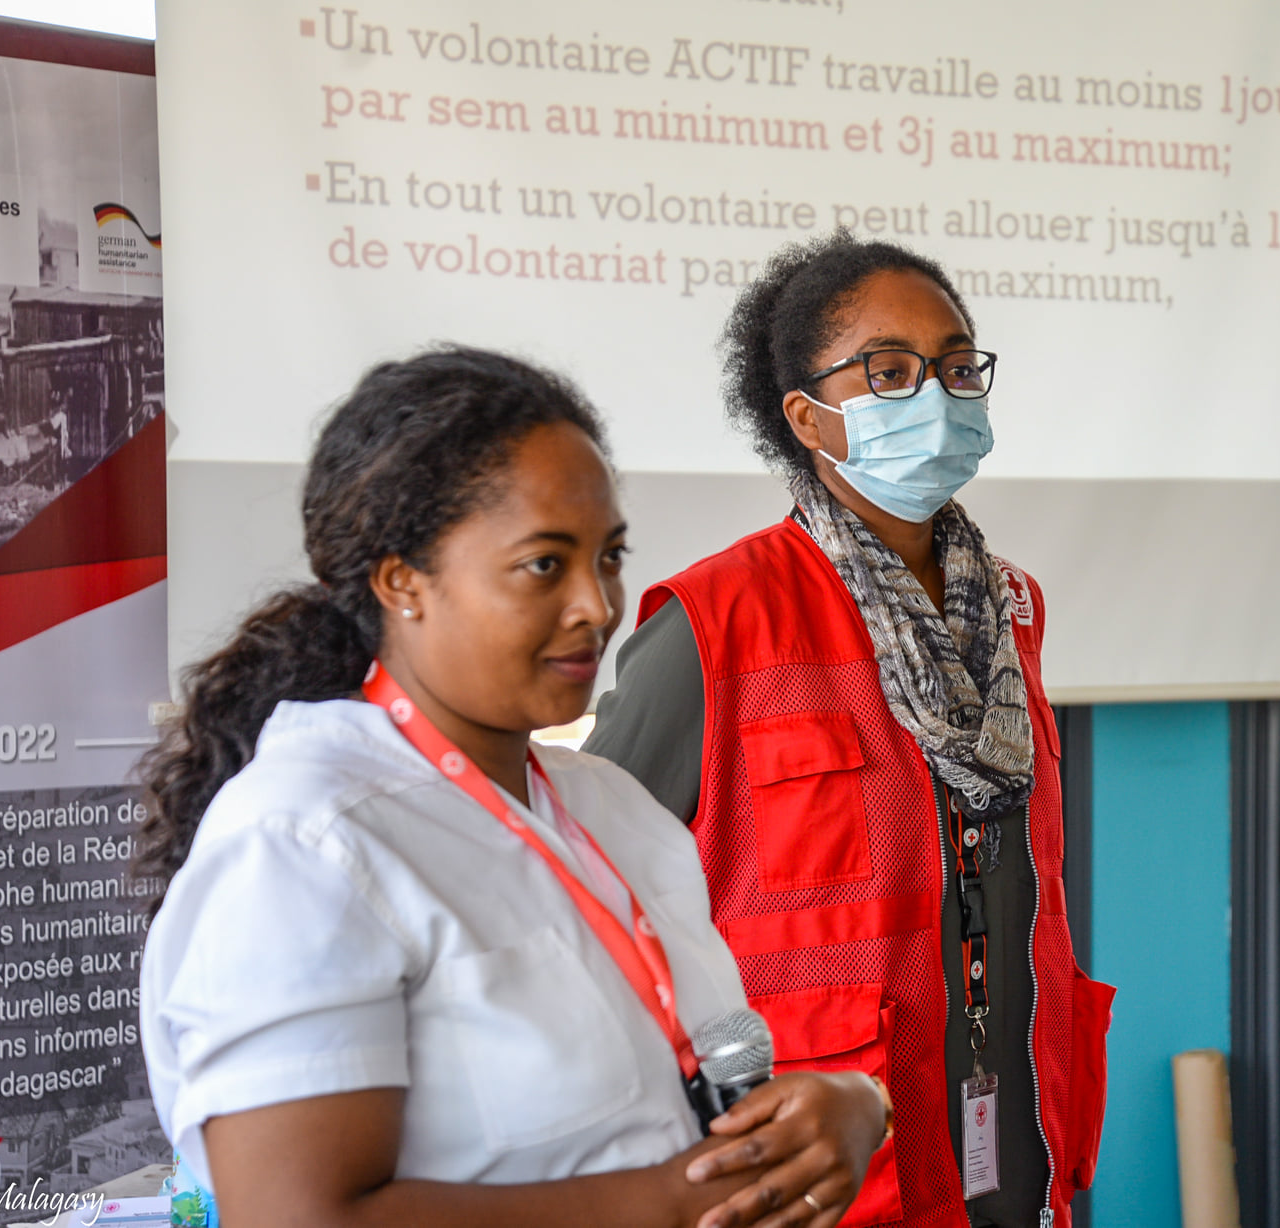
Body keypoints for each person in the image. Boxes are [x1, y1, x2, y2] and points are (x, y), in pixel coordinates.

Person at [134, 347, 890, 1228]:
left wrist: (842, 1105)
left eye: (608, 557)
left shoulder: (613, 808)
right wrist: (670, 1206)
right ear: (400, 580)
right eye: (544, 564)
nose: (598, 606)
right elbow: (299, 1215)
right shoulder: (305, 843)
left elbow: (713, 1057)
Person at [584, 234, 1115, 1228]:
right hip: (826, 1158)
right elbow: (586, 893)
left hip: (1012, 1122)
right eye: (890, 371)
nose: (936, 393)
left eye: (956, 365)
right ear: (808, 417)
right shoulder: (712, 623)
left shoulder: (1011, 614)